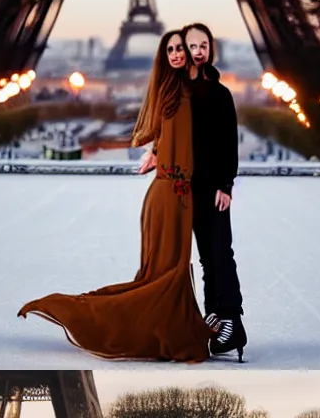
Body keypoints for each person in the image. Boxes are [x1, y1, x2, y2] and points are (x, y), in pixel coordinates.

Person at [19, 30, 213, 361]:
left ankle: (164, 325)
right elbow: (160, 134)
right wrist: (158, 153)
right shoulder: (168, 92)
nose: (179, 54)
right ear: (164, 57)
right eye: (172, 50)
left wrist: (157, 151)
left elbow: (177, 136)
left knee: (171, 272)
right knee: (163, 275)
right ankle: (92, 315)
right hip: (167, 195)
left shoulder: (190, 89)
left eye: (183, 48)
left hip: (180, 195)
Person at [181, 24, 246, 358]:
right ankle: (216, 316)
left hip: (214, 187)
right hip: (189, 187)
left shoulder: (221, 94)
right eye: (192, 45)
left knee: (222, 253)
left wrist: (226, 184)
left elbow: (228, 143)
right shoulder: (182, 92)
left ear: (211, 48)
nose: (198, 50)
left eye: (203, 44)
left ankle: (233, 320)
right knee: (207, 257)